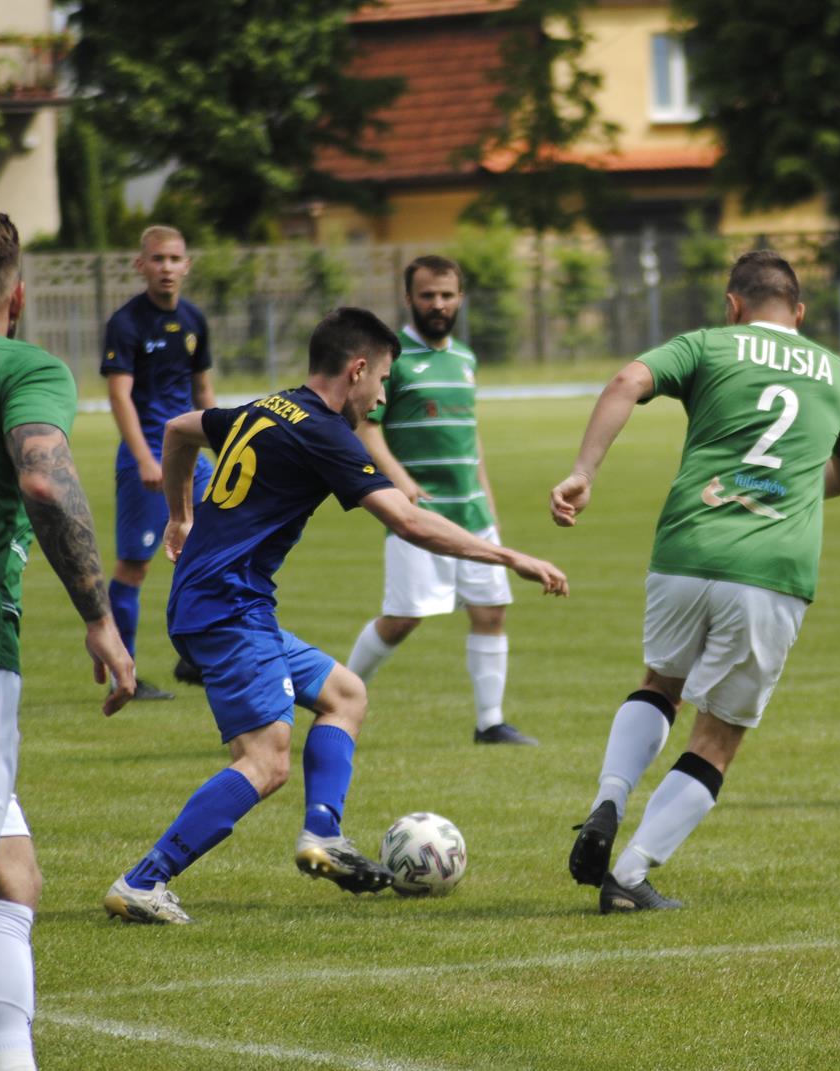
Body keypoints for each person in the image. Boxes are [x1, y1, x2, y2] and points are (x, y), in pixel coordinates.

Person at [104, 307, 567, 925]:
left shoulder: (267, 407)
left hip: (221, 601)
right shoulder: (324, 432)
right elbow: (407, 519)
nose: (380, 399)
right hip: (227, 607)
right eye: (381, 383)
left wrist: (181, 512)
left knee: (345, 693)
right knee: (266, 763)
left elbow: (181, 430)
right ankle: (144, 880)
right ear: (356, 370)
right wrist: (507, 554)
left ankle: (323, 832)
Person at [552, 250, 840, 913]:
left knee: (657, 683)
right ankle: (631, 874)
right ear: (800, 313)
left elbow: (623, 382)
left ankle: (609, 798)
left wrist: (584, 470)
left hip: (684, 550)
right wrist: (796, 485)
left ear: (734, 305)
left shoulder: (708, 343)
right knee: (718, 735)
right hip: (771, 568)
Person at [0, 209, 135, 1071]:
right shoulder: (24, 365)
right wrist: (99, 613)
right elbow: (44, 478)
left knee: (12, 875)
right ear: (20, 298)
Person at [346, 256, 535, 745]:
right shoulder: (393, 359)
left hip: (472, 511)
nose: (438, 304)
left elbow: (471, 444)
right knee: (403, 618)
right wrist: (401, 483)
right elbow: (368, 431)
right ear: (408, 298)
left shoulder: (466, 359)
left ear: (460, 298)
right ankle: (341, 697)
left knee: (491, 609)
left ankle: (490, 723)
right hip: (417, 516)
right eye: (427, 295)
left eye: (447, 294)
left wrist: (488, 503)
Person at [100, 225, 215, 700]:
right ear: (140, 265)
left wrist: (224, 449)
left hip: (193, 457)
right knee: (135, 566)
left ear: (186, 265)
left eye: (174, 259)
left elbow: (203, 393)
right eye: (157, 259)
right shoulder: (126, 323)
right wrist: (146, 458)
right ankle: (121, 674)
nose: (167, 267)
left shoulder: (193, 320)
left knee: (211, 550)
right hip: (146, 458)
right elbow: (120, 396)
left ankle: (195, 657)